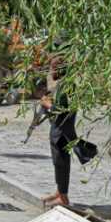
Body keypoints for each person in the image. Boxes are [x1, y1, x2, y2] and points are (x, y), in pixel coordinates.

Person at [42, 61, 77, 208]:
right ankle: (60, 192)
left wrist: (47, 104)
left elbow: (61, 110)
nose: (51, 72)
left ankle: (63, 197)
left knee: (61, 162)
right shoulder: (67, 84)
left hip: (61, 131)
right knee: (59, 162)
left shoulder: (65, 86)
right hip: (63, 129)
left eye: (53, 68)